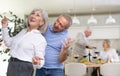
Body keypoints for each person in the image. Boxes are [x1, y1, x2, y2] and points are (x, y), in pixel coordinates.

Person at [1, 8, 48, 76]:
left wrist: (38, 62)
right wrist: (4, 26)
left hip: (24, 68)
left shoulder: (40, 39)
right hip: (12, 64)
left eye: (37, 15)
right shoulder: (23, 31)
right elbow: (8, 43)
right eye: (32, 13)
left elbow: (41, 61)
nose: (33, 16)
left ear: (41, 22)